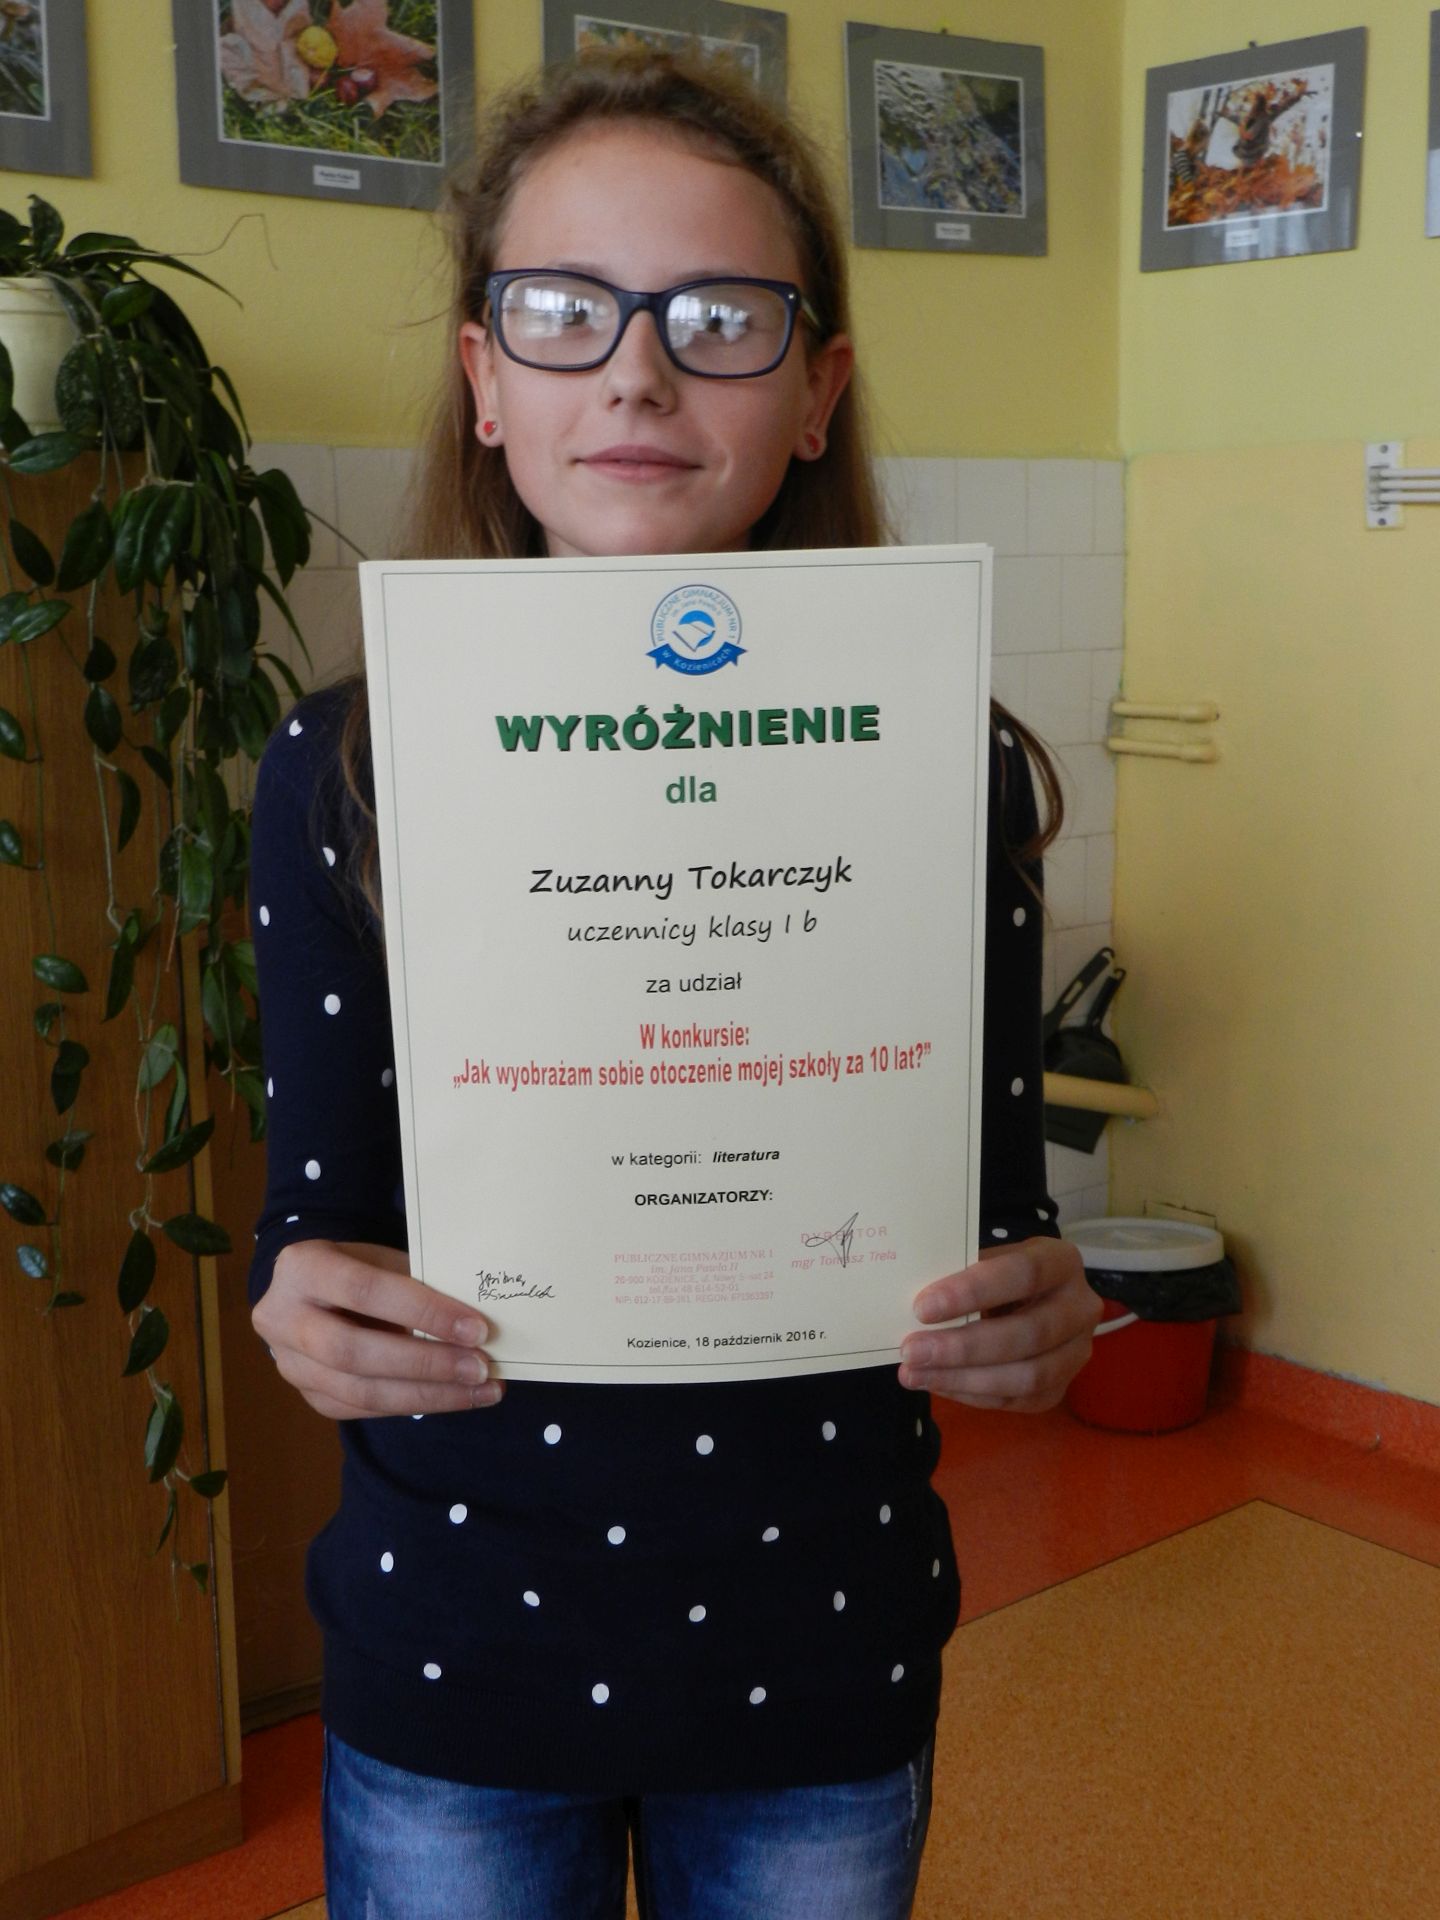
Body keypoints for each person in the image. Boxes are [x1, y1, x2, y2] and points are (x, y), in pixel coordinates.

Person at [248, 44, 1101, 1920]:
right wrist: (302, 1308)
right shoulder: (343, 773)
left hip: (819, 1650)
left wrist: (1037, 1311)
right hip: (461, 1649)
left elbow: (993, 1221)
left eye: (719, 317)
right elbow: (315, 1220)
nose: (636, 370)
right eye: (565, 312)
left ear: (817, 392)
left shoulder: (942, 765)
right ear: (485, 379)